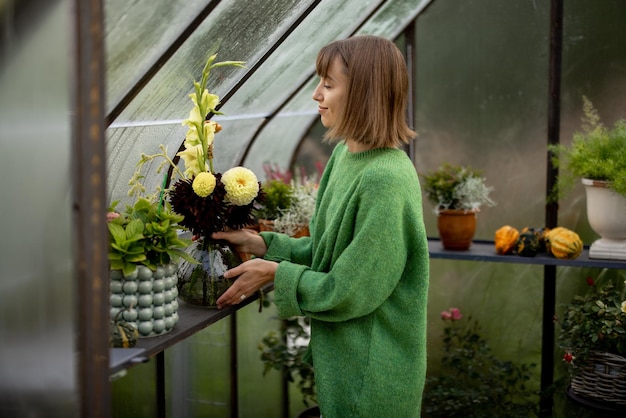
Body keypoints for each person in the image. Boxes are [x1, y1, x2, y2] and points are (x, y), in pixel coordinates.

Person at [214, 35, 429, 417]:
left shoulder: (386, 179)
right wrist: (261, 243)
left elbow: (350, 290)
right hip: (346, 367)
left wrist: (275, 274)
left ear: (364, 93)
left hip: (373, 380)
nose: (316, 94)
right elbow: (325, 253)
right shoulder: (345, 157)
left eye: (329, 84)